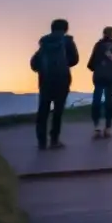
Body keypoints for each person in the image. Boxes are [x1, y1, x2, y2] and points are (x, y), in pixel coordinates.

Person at [30, 18, 80, 150]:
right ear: (65, 28)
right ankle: (54, 140)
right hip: (62, 79)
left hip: (45, 80)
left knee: (43, 110)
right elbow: (75, 59)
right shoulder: (67, 41)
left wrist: (43, 69)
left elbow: (34, 63)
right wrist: (64, 64)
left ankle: (41, 141)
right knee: (58, 111)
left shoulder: (45, 43)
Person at [87, 26, 112, 138]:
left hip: (99, 77)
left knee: (96, 101)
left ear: (103, 33)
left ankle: (97, 126)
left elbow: (90, 64)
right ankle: (108, 127)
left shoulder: (98, 45)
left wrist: (99, 66)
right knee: (109, 101)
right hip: (111, 77)